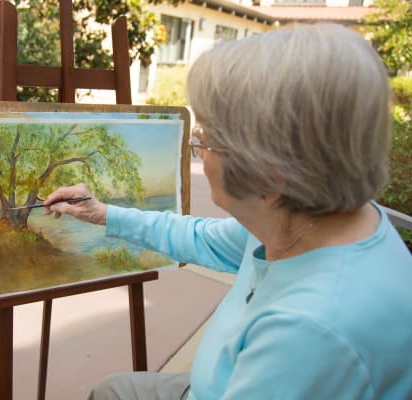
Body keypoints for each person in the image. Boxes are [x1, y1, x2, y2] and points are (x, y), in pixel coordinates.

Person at [44, 23, 412, 400]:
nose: (198, 149)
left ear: (266, 175)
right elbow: (202, 238)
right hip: (218, 382)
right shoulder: (310, 217)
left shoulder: (310, 334)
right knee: (114, 390)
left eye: (205, 139)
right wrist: (101, 213)